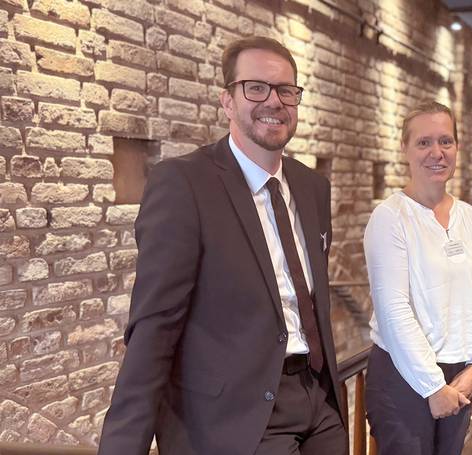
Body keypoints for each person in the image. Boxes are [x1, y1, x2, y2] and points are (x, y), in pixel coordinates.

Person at [98, 36, 347, 455]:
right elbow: (155, 327)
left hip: (318, 404)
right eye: (256, 88)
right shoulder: (184, 184)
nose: (274, 101)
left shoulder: (312, 187)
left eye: (286, 90)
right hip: (238, 418)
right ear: (227, 101)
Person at [364, 101, 472, 455]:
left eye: (446, 141)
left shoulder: (469, 217)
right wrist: (433, 386)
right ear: (404, 147)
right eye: (423, 143)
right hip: (403, 377)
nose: (436, 152)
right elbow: (393, 311)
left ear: (457, 147)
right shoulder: (390, 218)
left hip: (458, 377)